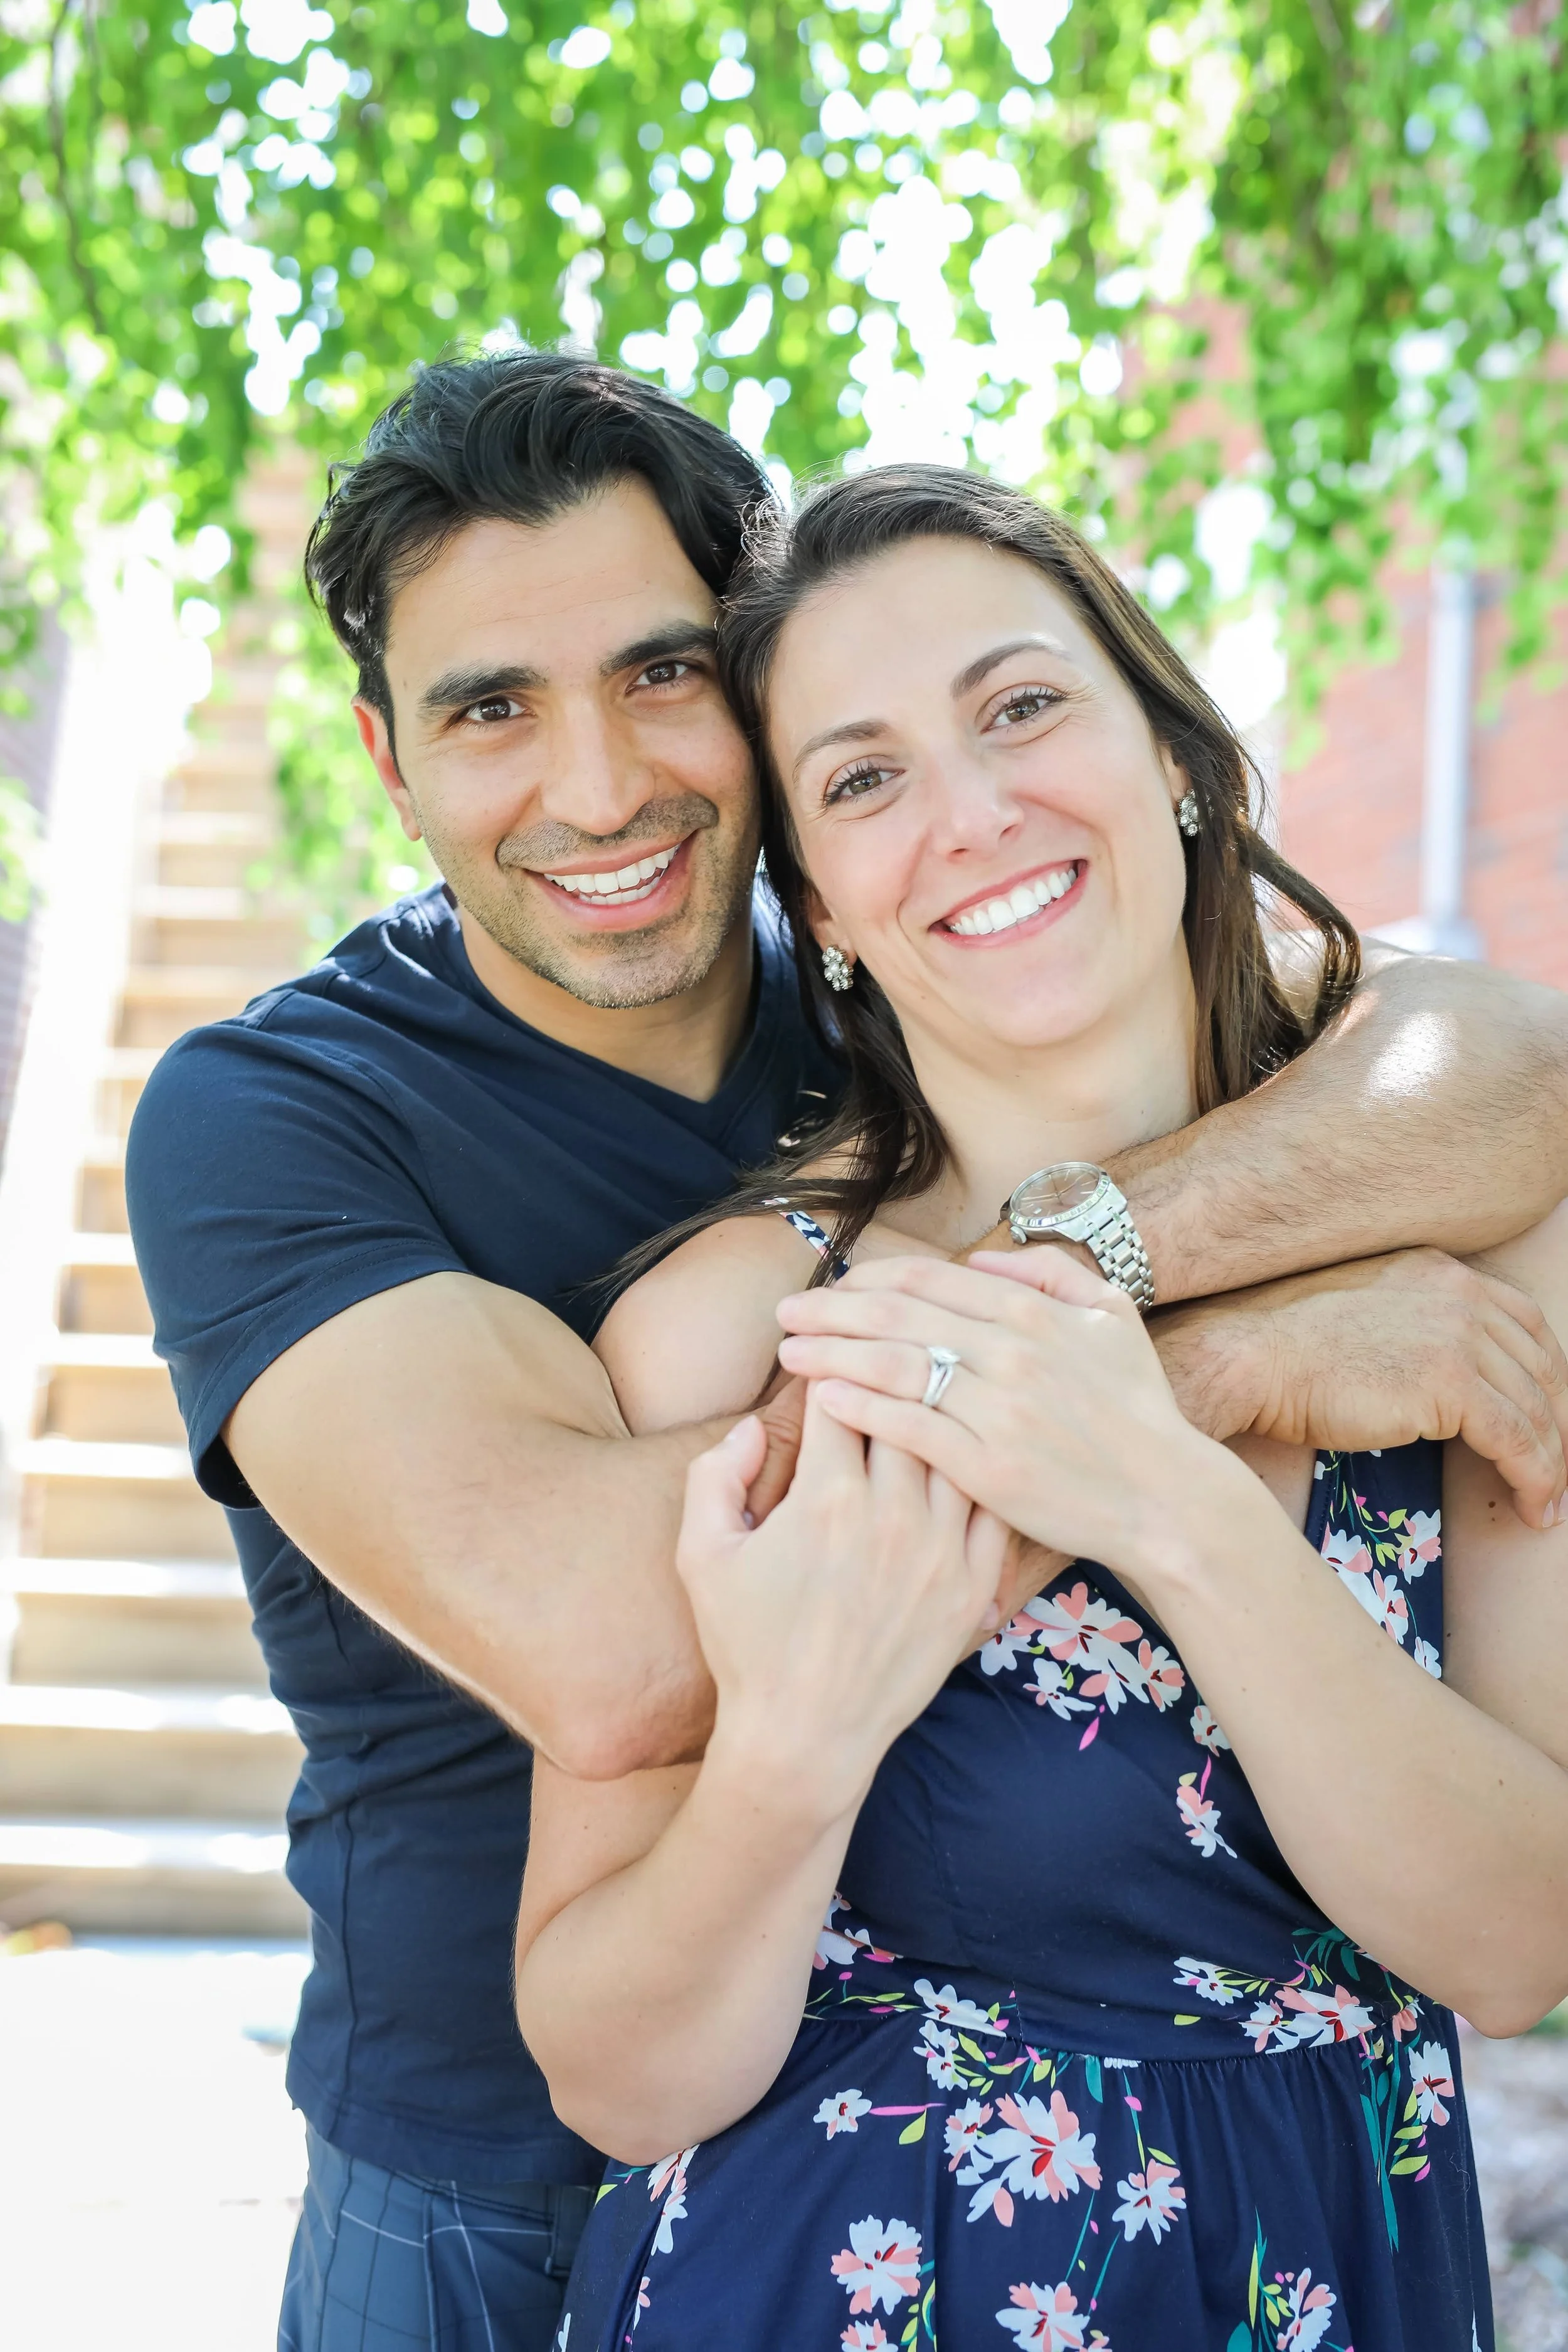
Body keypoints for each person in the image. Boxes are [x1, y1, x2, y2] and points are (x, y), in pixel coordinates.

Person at [123, 356, 1568, 2352]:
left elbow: (1488, 1069)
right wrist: (1214, 1363)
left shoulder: (938, 930)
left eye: (656, 674)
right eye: (487, 708)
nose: (600, 783)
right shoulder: (280, 1116)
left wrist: (1095, 1268)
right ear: (387, 759)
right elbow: (618, 1642)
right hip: (489, 2183)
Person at [517, 465, 1568, 2351]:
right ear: (816, 908)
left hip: (1321, 2270)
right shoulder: (729, 1326)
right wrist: (791, 1748)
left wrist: (1167, 1499)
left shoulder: (1472, 1239)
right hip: (836, 2273)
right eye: (860, 779)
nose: (972, 812)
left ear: (1172, 750)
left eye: (1018, 706)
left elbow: (1511, 1945)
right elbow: (616, 2074)